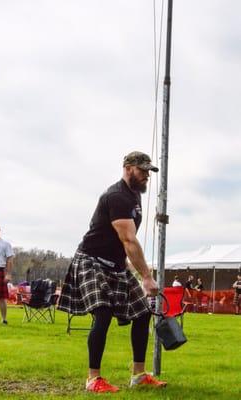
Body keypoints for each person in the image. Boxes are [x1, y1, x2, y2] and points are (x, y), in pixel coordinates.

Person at [58, 151, 167, 393]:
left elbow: (125, 244)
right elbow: (128, 239)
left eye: (149, 172)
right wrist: (146, 277)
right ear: (128, 168)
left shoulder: (134, 196)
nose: (146, 176)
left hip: (116, 264)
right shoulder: (117, 196)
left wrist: (133, 269)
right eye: (142, 171)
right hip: (92, 261)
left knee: (142, 313)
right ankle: (93, 379)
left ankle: (139, 375)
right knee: (103, 313)